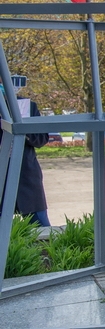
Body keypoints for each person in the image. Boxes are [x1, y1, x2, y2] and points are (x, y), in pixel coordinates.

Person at [0, 87, 50, 227]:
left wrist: (20, 130)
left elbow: (41, 138)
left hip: (26, 176)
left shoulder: (26, 106)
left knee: (41, 227)